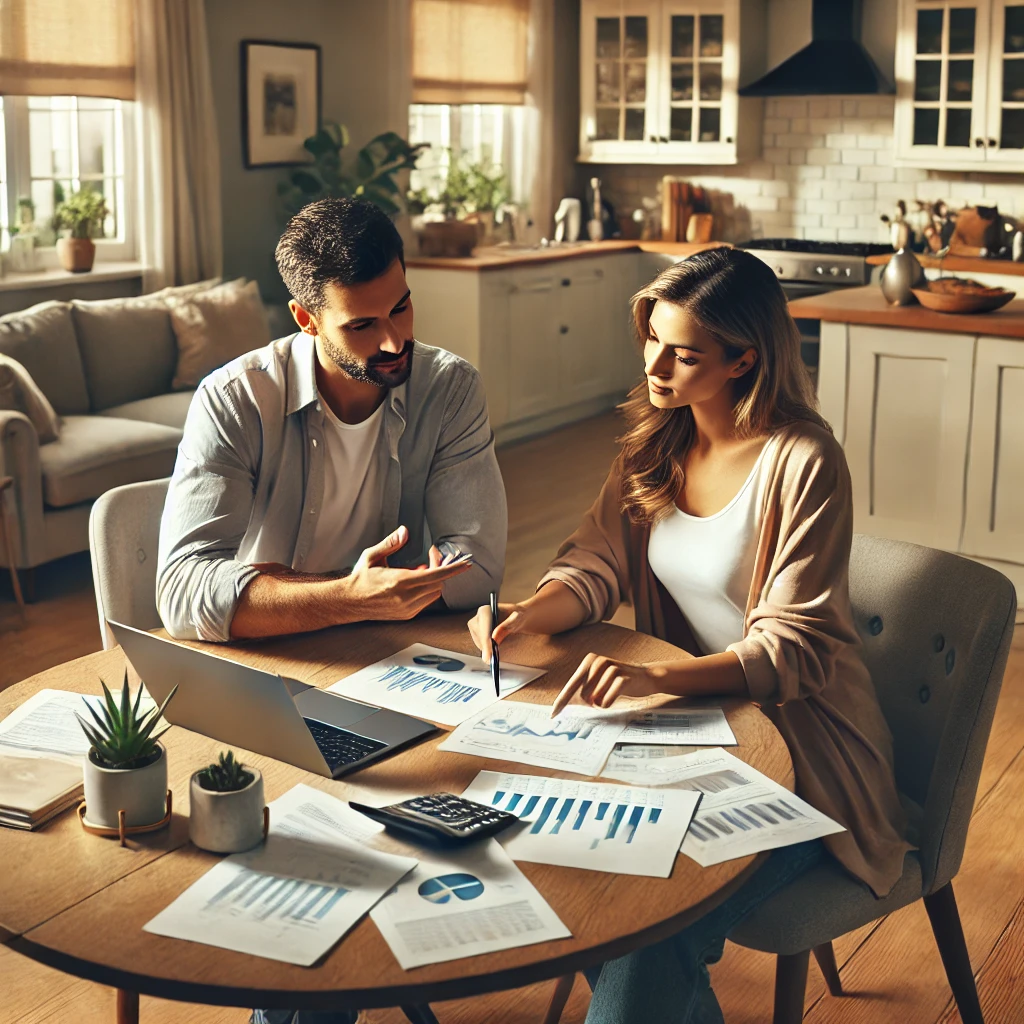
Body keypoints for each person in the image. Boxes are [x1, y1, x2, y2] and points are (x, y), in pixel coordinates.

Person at [468, 248, 912, 1023]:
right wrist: (528, 613)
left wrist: (656, 680)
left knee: (649, 929)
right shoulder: (656, 441)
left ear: (745, 358)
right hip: (692, 739)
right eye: (652, 339)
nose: (656, 364)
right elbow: (595, 560)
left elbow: (793, 649)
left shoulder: (804, 460)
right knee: (563, 857)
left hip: (807, 759)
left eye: (684, 352)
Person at [157, 198, 506, 642]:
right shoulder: (234, 400)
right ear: (307, 319)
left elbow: (480, 567)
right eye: (361, 326)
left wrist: (279, 588)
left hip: (382, 647)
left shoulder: (450, 388)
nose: (395, 342)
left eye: (400, 309)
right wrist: (350, 596)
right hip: (272, 652)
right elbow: (183, 591)